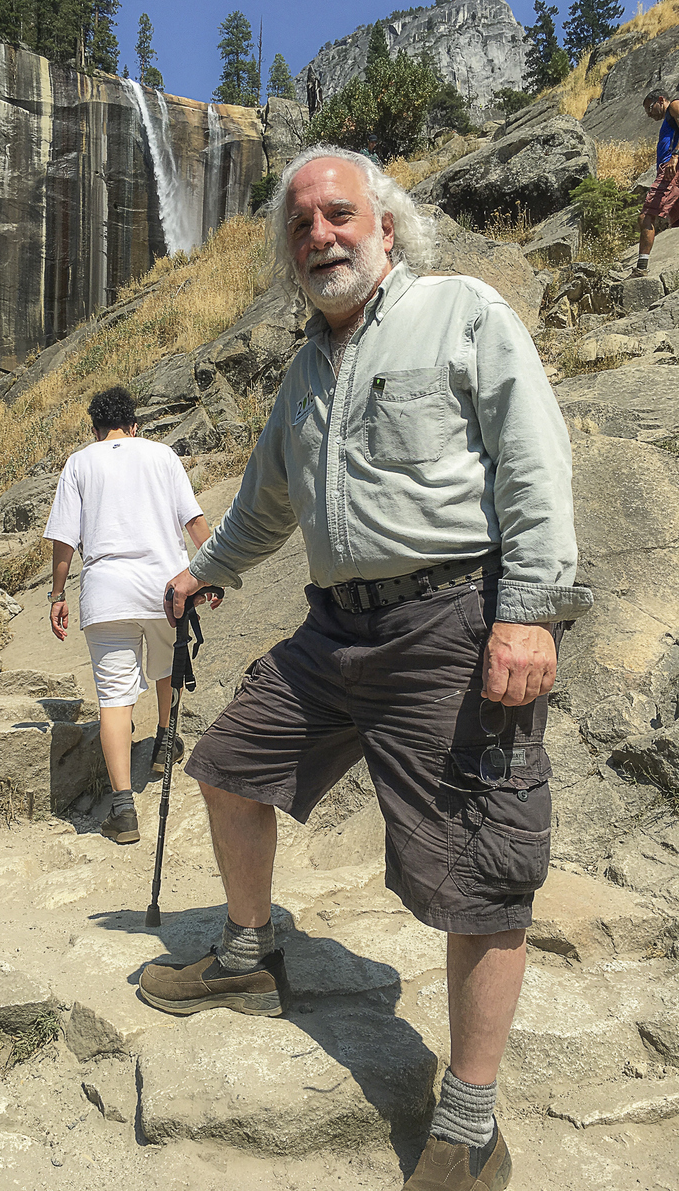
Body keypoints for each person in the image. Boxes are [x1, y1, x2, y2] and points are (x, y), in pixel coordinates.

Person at [137, 145, 593, 1191]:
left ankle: (470, 1125)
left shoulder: (463, 311)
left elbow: (534, 454)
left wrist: (527, 615)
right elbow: (263, 502)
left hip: (453, 624)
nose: (319, 236)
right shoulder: (301, 372)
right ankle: (249, 958)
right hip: (334, 632)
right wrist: (202, 574)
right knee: (229, 766)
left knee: (483, 878)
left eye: (339, 214)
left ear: (386, 227)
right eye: (300, 225)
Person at [44, 386, 211, 845]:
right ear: (134, 425)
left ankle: (122, 809)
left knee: (115, 699)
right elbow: (194, 521)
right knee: (167, 669)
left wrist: (57, 593)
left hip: (106, 592)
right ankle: (163, 742)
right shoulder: (162, 456)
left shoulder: (80, 462)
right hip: (165, 586)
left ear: (95, 430)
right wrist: (212, 572)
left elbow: (63, 538)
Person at [631, 90, 679, 278]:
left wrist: (675, 156)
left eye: (649, 108)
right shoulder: (668, 120)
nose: (649, 114)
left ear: (661, 100)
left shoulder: (674, 105)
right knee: (676, 223)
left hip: (672, 170)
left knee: (646, 217)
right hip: (669, 169)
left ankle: (641, 268)